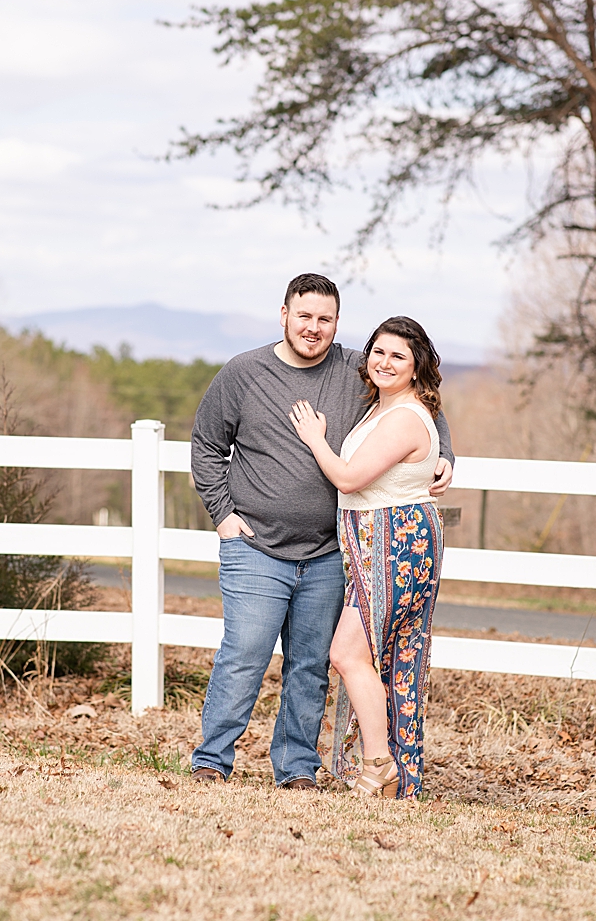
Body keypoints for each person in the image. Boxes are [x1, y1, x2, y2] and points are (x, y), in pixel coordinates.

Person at [188, 274, 453, 790]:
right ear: (283, 314)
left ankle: (296, 768)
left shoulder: (358, 368)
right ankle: (211, 760)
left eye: (324, 319)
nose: (313, 328)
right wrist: (222, 514)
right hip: (256, 545)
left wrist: (445, 455)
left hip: (331, 552)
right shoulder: (244, 373)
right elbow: (205, 444)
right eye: (303, 316)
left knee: (311, 666)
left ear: (336, 323)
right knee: (244, 654)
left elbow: (419, 399)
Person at [289, 316, 445, 799]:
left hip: (397, 544)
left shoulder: (403, 416)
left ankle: (381, 765)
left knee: (348, 652)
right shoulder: (385, 409)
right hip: (372, 545)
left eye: (398, 355)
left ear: (417, 366)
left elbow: (351, 478)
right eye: (378, 351)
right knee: (383, 656)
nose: (384, 362)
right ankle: (384, 767)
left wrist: (315, 437)